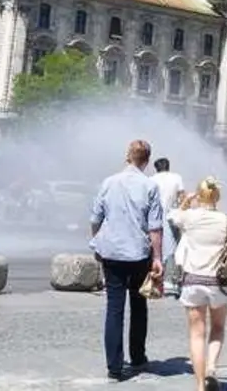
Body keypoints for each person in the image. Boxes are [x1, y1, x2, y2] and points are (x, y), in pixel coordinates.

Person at [90, 140, 165, 381]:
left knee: (114, 308)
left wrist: (97, 242)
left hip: (112, 252)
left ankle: (114, 366)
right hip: (138, 254)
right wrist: (158, 258)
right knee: (139, 305)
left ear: (127, 157)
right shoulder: (150, 186)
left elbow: (96, 217)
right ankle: (138, 356)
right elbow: (155, 227)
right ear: (146, 160)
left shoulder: (109, 182)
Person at [171, 177, 227, 391]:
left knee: (196, 334)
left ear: (199, 195)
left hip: (192, 281)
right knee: (218, 327)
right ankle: (212, 369)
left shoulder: (189, 218)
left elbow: (173, 217)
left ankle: (199, 385)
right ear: (217, 197)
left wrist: (187, 202)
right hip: (219, 282)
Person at [152, 158, 186, 297]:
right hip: (173, 216)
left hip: (155, 217)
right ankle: (173, 280)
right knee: (176, 247)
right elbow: (182, 196)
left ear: (156, 168)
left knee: (157, 247)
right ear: (168, 167)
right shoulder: (176, 177)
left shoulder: (151, 179)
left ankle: (158, 279)